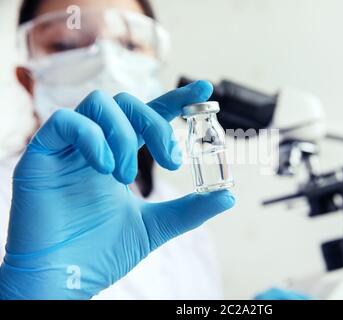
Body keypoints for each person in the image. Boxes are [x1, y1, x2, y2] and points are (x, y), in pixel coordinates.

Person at [0, 0, 229, 300]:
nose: (106, 61)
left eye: (130, 44)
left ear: (154, 73)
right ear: (28, 80)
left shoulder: (180, 212)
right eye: (65, 44)